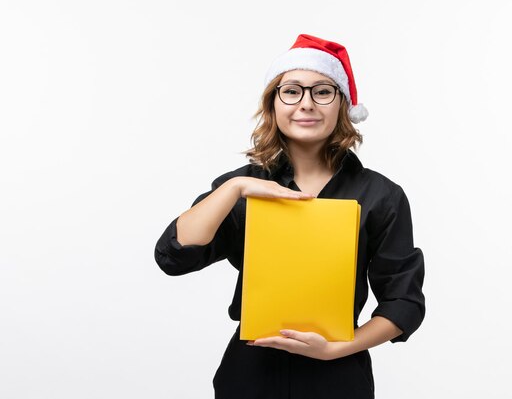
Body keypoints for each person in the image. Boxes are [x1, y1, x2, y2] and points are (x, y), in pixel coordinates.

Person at [154, 34, 425, 399]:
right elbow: (174, 255)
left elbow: (403, 302)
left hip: (339, 378)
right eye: (292, 91)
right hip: (249, 376)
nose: (306, 104)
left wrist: (336, 350)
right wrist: (234, 190)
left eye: (322, 92)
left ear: (342, 104)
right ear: (274, 104)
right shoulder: (243, 186)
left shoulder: (381, 196)